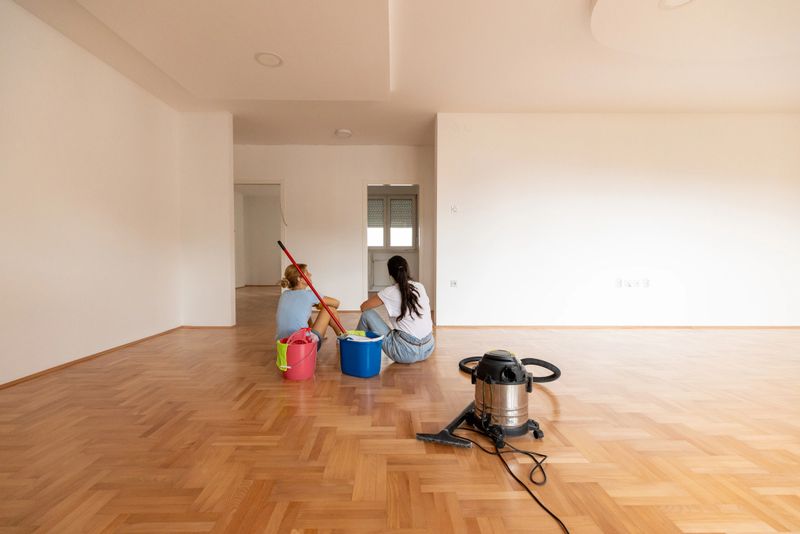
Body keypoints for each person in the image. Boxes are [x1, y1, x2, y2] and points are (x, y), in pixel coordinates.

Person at [357, 255, 434, 364]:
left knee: (367, 314)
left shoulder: (389, 291)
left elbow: (363, 307)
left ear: (390, 274)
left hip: (405, 353)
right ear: (407, 269)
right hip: (428, 348)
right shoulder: (419, 286)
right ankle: (358, 342)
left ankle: (356, 343)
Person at [276, 263, 343, 349]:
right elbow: (336, 303)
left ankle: (338, 337)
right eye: (307, 273)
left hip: (283, 345)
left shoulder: (284, 294)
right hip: (304, 346)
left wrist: (314, 304)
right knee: (330, 309)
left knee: (307, 311)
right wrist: (320, 305)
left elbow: (301, 315)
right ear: (299, 279)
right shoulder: (310, 295)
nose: (310, 274)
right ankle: (343, 339)